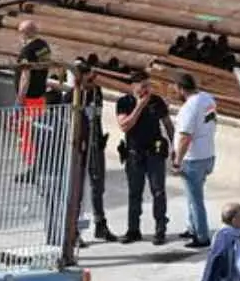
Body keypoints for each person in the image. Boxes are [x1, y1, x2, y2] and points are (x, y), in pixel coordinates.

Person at [115, 70, 175, 245]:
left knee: (158, 191)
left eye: (148, 86)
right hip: (134, 154)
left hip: (154, 153)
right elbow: (124, 126)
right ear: (133, 87)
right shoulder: (124, 102)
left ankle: (160, 229)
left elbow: (168, 125)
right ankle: (133, 230)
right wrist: (140, 106)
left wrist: (174, 148)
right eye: (143, 86)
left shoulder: (157, 101)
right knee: (135, 193)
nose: (147, 90)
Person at [172, 73, 218, 249]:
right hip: (208, 155)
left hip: (193, 159)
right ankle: (192, 227)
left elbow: (185, 137)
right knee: (192, 196)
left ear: (181, 89)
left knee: (196, 198)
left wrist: (177, 160)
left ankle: (201, 236)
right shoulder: (208, 99)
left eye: (175, 88)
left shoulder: (189, 108)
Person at [74, 62, 115, 242]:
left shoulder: (96, 92)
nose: (93, 82)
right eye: (89, 78)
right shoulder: (72, 96)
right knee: (77, 189)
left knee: (98, 186)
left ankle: (100, 224)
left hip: (96, 143)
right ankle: (74, 229)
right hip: (80, 147)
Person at [15, 20, 54, 177]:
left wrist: (19, 99)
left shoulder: (27, 52)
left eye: (19, 32)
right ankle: (39, 163)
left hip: (29, 97)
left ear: (25, 33)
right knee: (38, 130)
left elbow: (25, 76)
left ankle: (32, 167)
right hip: (40, 94)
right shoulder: (44, 46)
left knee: (27, 133)